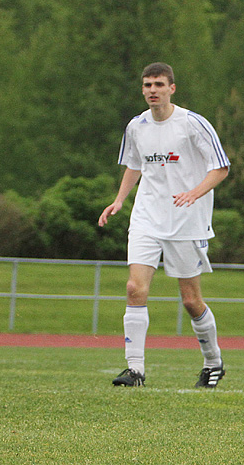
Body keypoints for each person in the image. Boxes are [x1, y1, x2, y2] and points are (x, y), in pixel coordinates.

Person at [99, 62, 230, 389]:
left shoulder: (193, 124)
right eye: (147, 85)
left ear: (172, 88)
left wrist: (194, 193)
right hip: (147, 218)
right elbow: (134, 165)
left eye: (158, 84)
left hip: (186, 222)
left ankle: (213, 363)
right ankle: (135, 369)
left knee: (190, 300)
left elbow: (221, 168)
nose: (152, 90)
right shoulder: (136, 127)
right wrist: (119, 200)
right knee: (134, 288)